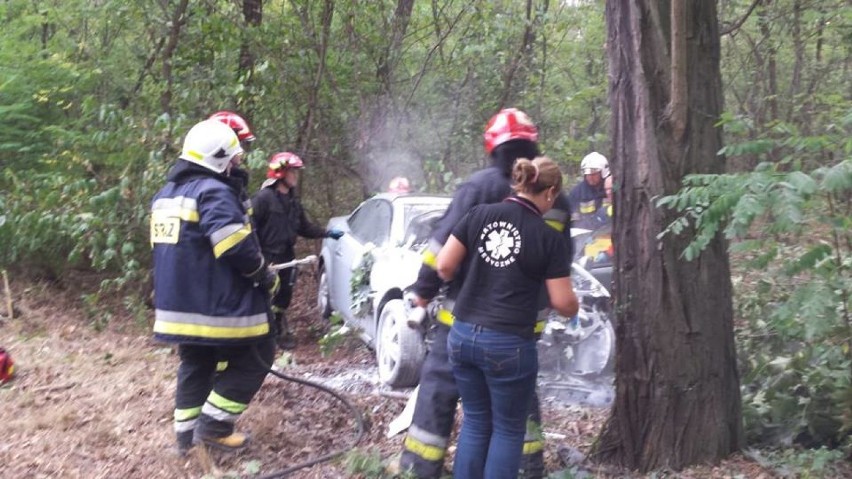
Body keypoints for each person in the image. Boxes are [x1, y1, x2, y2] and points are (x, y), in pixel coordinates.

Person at [400, 108, 571, 479]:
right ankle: (526, 470)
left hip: (462, 323)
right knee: (516, 406)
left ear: (492, 147)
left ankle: (421, 469)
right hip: (520, 328)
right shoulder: (557, 199)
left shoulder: (478, 189)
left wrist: (423, 295)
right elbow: (559, 270)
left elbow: (439, 254)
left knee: (441, 394)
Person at [437, 157, 579, 479]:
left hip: (462, 335)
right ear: (550, 192)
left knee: (475, 422)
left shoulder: (479, 214)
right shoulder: (547, 237)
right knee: (507, 430)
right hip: (508, 344)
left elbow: (444, 265)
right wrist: (574, 306)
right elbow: (562, 302)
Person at [151, 119, 279, 455]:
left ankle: (186, 440)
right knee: (258, 356)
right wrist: (263, 274)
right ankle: (214, 427)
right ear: (218, 159)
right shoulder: (213, 191)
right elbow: (233, 245)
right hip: (212, 305)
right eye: (234, 158)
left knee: (196, 365)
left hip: (176, 308)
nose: (238, 164)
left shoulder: (166, 195)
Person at [251, 152, 344, 349]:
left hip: (287, 257)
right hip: (267, 257)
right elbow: (249, 228)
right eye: (293, 171)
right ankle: (261, 337)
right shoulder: (262, 199)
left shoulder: (293, 202)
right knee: (264, 296)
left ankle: (277, 330)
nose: (296, 176)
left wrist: (327, 233)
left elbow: (304, 228)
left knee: (283, 296)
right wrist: (256, 256)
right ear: (281, 173)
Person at [567, 151, 609, 229]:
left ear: (603, 172)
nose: (590, 177)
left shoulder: (611, 189)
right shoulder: (577, 193)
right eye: (587, 174)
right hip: (585, 236)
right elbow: (571, 220)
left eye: (594, 174)